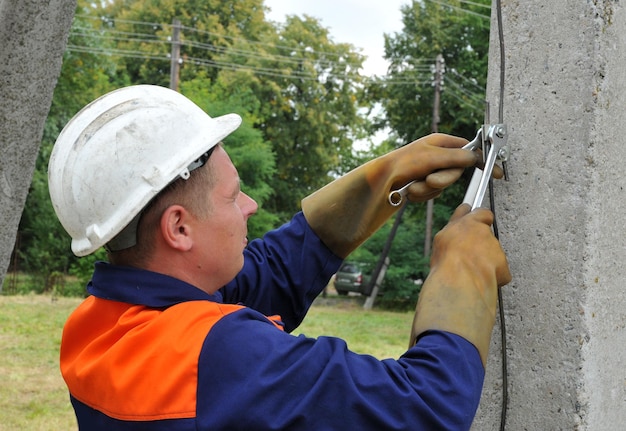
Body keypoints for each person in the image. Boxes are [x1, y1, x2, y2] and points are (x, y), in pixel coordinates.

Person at [49, 84, 511, 430]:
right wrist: (463, 270)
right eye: (232, 197)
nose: (249, 205)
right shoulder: (221, 356)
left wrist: (377, 183)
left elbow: (268, 277)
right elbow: (423, 408)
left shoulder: (100, 328)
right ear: (179, 228)